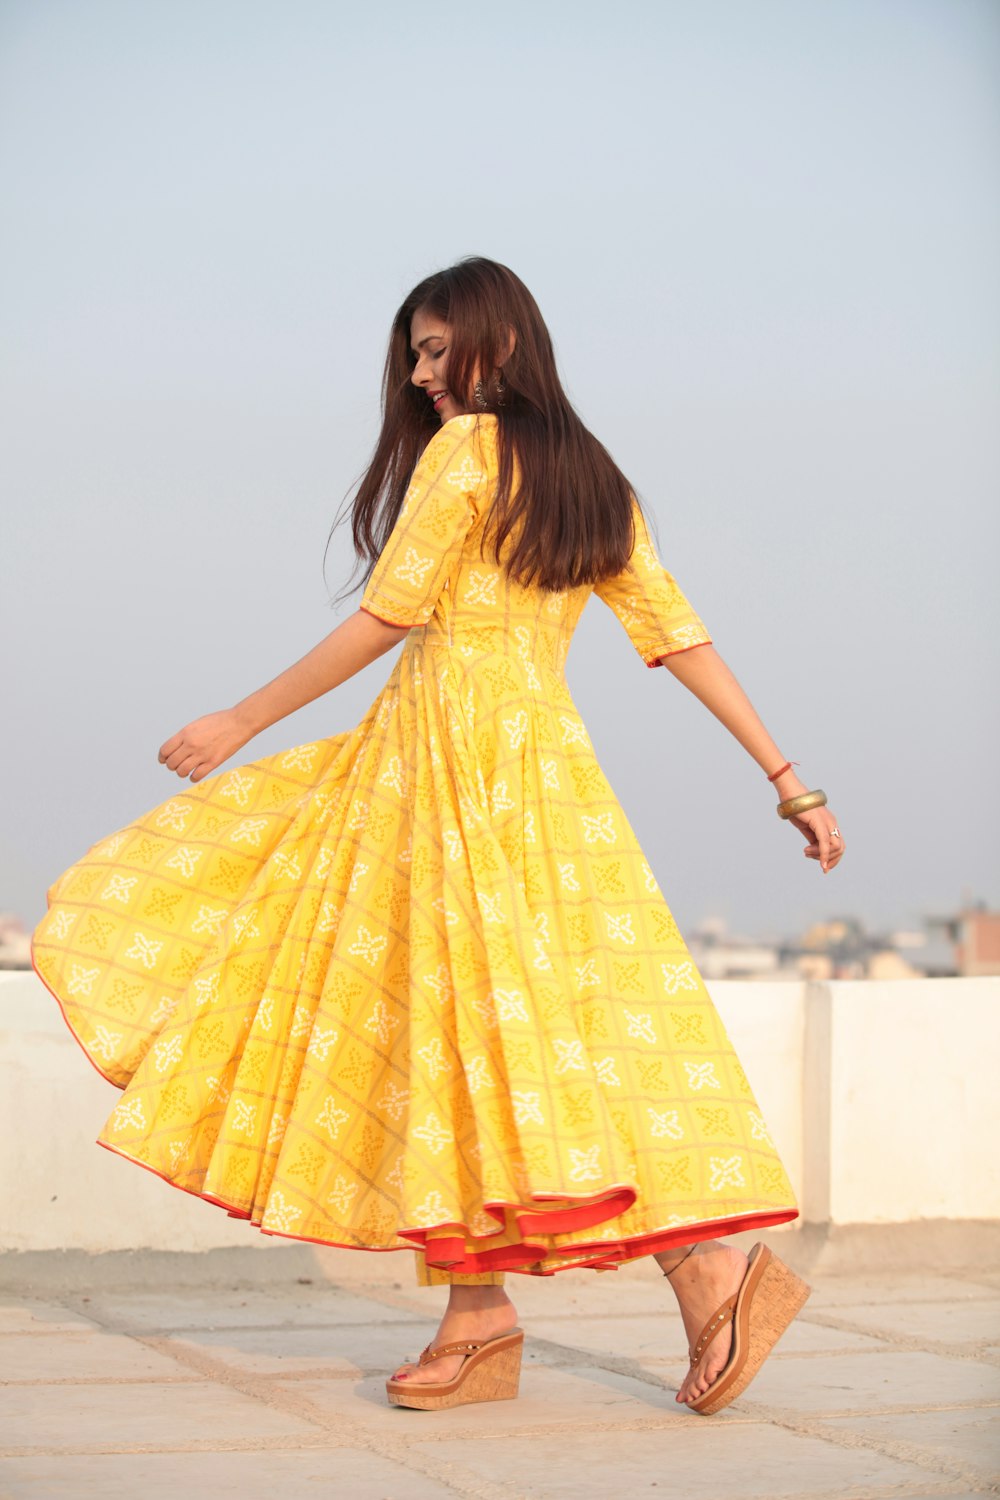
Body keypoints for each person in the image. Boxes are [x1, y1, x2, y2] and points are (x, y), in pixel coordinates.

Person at [31, 255, 843, 1418]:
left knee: (446, 1031)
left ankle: (687, 1274)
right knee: (504, 1043)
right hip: (551, 793)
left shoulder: (465, 454)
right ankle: (491, 1317)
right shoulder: (596, 479)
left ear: (498, 347)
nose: (417, 378)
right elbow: (681, 641)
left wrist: (240, 718)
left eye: (432, 349)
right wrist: (789, 781)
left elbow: (388, 618)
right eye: (411, 355)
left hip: (443, 776)